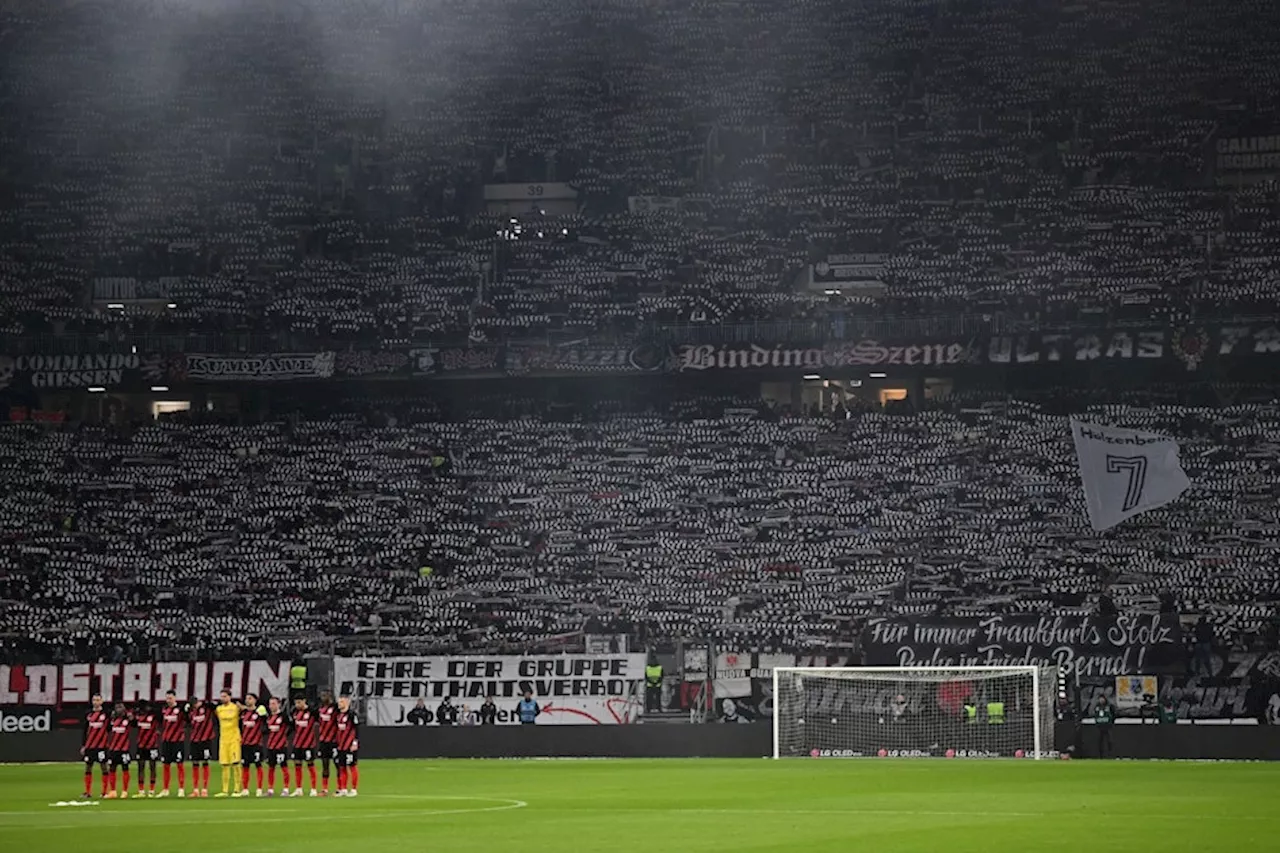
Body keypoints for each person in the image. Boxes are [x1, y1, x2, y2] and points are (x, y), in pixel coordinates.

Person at [157, 690, 187, 797]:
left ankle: (181, 789)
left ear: (175, 698)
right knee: (166, 765)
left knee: (179, 765)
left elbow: (187, 720)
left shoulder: (181, 710)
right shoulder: (164, 710)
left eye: (170, 698)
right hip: (166, 741)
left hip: (178, 741)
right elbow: (161, 723)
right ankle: (165, 789)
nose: (168, 700)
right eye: (167, 698)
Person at [214, 689, 243, 798]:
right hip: (223, 740)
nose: (223, 698)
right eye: (222, 696)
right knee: (225, 765)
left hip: (234, 739)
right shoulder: (219, 709)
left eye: (225, 696)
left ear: (230, 697)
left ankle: (236, 790)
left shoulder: (236, 707)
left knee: (235, 763)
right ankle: (225, 790)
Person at [237, 693, 266, 797]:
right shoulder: (243, 713)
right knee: (245, 766)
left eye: (250, 698)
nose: (247, 700)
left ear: (255, 700)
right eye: (246, 698)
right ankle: (245, 789)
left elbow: (266, 723)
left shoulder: (259, 711)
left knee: (258, 765)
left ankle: (259, 789)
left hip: (256, 743)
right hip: (245, 744)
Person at [81, 692, 110, 799]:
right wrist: (83, 745)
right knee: (88, 768)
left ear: (102, 701)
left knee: (104, 767)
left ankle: (104, 792)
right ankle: (88, 792)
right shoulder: (88, 714)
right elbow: (85, 730)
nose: (96, 702)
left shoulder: (106, 714)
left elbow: (110, 728)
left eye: (98, 700)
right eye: (94, 700)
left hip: (102, 746)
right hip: (90, 746)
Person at [263, 696, 292, 797]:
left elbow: (291, 727)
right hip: (271, 746)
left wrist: (285, 736)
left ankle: (286, 789)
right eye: (270, 704)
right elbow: (266, 730)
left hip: (281, 746)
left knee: (284, 767)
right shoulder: (269, 717)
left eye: (274, 704)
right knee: (271, 768)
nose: (271, 706)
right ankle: (270, 789)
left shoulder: (283, 716)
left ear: (279, 704)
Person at [187, 697, 215, 797]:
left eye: (196, 703)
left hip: (206, 740)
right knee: (195, 764)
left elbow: (213, 705)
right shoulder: (191, 712)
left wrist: (205, 703)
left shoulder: (207, 709)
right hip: (194, 740)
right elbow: (188, 723)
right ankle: (195, 790)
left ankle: (204, 789)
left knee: (205, 763)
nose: (195, 705)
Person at [291, 697, 319, 796]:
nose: (297, 705)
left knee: (310, 765)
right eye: (296, 703)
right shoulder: (294, 712)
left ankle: (313, 789)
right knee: (297, 765)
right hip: (297, 743)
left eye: (299, 702)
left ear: (304, 701)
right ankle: (299, 789)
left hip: (309, 743)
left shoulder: (312, 711)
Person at [104, 703, 133, 799]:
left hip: (124, 749)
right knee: (112, 769)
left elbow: (135, 723)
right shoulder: (112, 720)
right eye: (117, 707)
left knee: (125, 769)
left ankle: (124, 791)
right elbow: (107, 729)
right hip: (113, 748)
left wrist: (131, 717)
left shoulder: (128, 719)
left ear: (124, 709)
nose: (119, 709)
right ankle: (113, 791)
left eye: (121, 707)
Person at [334, 695, 360, 797]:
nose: (339, 703)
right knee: (342, 767)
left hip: (349, 746)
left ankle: (353, 789)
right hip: (341, 746)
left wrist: (355, 742)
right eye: (339, 702)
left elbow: (356, 729)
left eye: (342, 702)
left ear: (347, 702)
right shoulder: (338, 715)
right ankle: (343, 789)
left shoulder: (352, 714)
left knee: (352, 766)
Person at [133, 703, 160, 797]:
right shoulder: (137, 717)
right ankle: (141, 791)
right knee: (141, 767)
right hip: (141, 745)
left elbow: (160, 714)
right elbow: (132, 724)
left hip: (152, 745)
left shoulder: (154, 716)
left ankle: (152, 790)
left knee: (152, 767)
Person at [317, 690, 338, 797]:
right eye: (322, 695)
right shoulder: (320, 709)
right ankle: (324, 789)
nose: (323, 697)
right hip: (323, 741)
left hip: (334, 741)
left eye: (325, 695)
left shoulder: (335, 709)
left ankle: (340, 788)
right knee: (325, 765)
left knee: (338, 765)